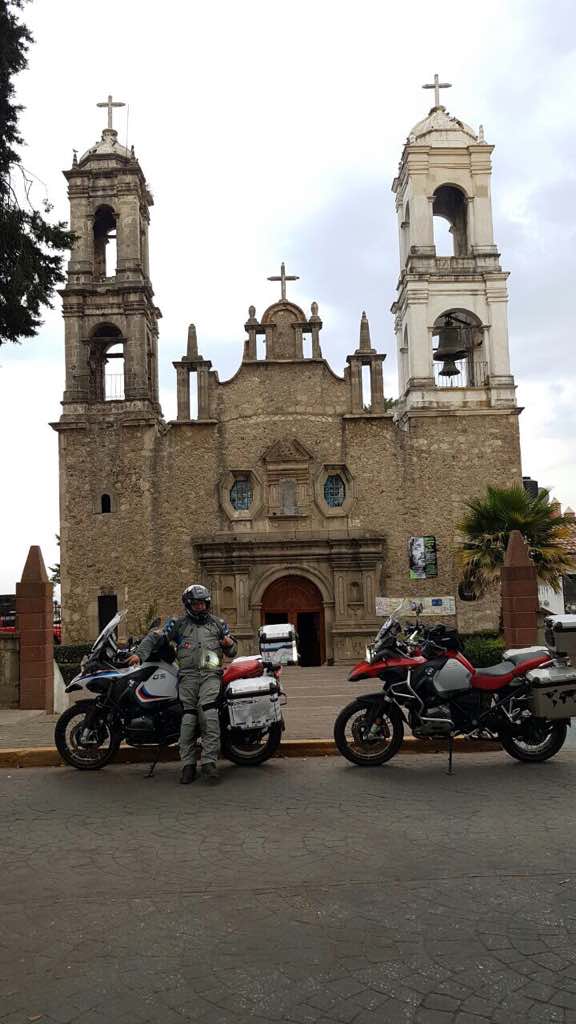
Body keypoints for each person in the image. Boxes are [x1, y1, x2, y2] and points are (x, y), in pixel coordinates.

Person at [128, 584, 237, 785]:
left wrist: (230, 644)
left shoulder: (218, 624)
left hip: (211, 675)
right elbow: (155, 636)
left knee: (209, 713)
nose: (200, 607)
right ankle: (188, 765)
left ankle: (209, 762)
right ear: (188, 605)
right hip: (187, 676)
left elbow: (232, 651)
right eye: (196, 604)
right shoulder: (177, 624)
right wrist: (138, 655)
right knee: (188, 719)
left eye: (203, 603)